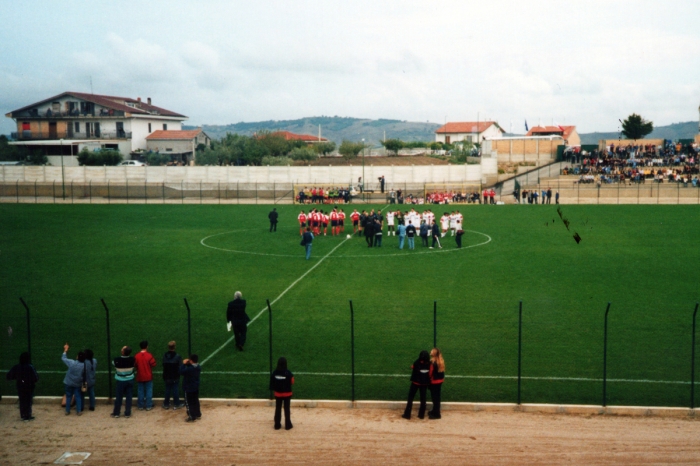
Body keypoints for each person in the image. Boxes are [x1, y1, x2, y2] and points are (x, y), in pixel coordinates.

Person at [6, 352, 38, 421]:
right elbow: (36, 378)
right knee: (28, 400)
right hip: (29, 386)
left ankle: (23, 415)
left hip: (20, 385)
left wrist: (17, 377)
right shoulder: (30, 367)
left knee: (22, 400)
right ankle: (28, 415)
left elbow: (9, 376)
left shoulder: (17, 367)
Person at [402, 350, 431, 420]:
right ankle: (421, 415)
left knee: (410, 398)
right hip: (424, 384)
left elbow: (414, 368)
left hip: (415, 383)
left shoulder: (416, 363)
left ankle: (407, 414)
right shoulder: (429, 364)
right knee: (423, 399)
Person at [270, 357, 294, 430]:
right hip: (287, 394)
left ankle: (277, 425)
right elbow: (292, 382)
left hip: (278, 394)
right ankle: (287, 425)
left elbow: (272, 383)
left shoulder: (275, 372)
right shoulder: (288, 373)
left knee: (278, 409)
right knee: (287, 409)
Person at [112, 345, 136, 418]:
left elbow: (113, 364)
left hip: (120, 380)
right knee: (129, 397)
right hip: (130, 380)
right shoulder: (133, 359)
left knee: (119, 397)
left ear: (122, 352)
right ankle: (127, 413)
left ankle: (116, 413)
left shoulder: (116, 360)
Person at [62, 343, 85, 416]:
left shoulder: (72, 363)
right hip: (77, 383)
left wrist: (65, 350)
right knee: (78, 396)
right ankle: (78, 411)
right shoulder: (84, 365)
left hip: (68, 382)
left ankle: (67, 410)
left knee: (68, 396)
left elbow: (63, 358)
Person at [162, 341, 184, 410]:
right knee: (175, 389)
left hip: (166, 375)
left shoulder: (165, 355)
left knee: (167, 389)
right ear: (174, 347)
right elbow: (180, 365)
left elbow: (163, 364)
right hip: (175, 375)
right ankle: (177, 403)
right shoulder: (177, 356)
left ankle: (166, 404)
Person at [135, 341, 156, 411]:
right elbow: (153, 364)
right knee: (148, 391)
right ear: (147, 346)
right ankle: (148, 405)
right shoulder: (149, 355)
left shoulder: (136, 356)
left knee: (140, 391)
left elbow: (135, 365)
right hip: (148, 376)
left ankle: (140, 405)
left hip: (140, 376)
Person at [180, 354, 202, 422]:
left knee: (189, 403)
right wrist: (189, 364)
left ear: (191, 360)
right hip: (195, 387)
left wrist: (183, 364)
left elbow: (181, 371)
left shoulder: (189, 369)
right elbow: (191, 368)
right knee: (195, 401)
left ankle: (192, 416)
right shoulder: (198, 367)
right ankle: (197, 414)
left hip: (189, 388)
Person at [428, 348, 445, 419]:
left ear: (434, 354)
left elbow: (430, 373)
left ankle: (436, 414)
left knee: (434, 398)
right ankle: (435, 411)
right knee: (437, 397)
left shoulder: (432, 362)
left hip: (434, 382)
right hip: (440, 381)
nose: (430, 351)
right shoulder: (440, 361)